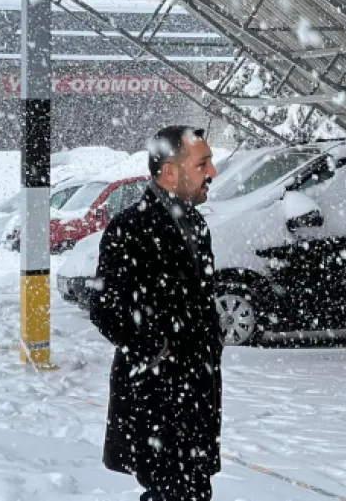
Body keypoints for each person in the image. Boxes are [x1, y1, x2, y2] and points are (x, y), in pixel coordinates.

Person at [89, 126, 222, 501]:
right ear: (169, 173)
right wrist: (157, 350)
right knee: (173, 493)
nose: (212, 172)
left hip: (195, 399)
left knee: (193, 491)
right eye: (202, 164)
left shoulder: (196, 225)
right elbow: (105, 307)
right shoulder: (130, 228)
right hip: (157, 402)